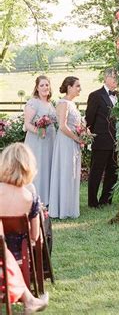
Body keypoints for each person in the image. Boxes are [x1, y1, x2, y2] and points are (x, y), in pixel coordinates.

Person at [0, 143, 49, 311]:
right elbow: (35, 236)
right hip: (18, 253)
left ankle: (29, 300)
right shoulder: (29, 198)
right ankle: (30, 299)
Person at [49, 76, 83, 219]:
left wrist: (83, 133)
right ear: (69, 87)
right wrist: (77, 138)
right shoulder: (63, 103)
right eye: (77, 86)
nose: (80, 89)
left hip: (72, 141)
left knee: (72, 173)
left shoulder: (72, 104)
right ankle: (61, 208)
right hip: (65, 141)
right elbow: (62, 126)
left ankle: (69, 206)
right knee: (65, 172)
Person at [85, 68, 118, 208]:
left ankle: (106, 199)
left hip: (116, 141)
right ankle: (93, 202)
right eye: (114, 77)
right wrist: (92, 135)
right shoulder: (95, 95)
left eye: (118, 78)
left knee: (113, 171)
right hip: (101, 140)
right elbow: (89, 119)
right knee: (96, 172)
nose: (116, 80)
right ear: (106, 78)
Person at [23, 75, 57, 206]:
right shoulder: (33, 103)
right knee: (38, 168)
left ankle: (47, 199)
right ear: (37, 88)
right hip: (37, 142)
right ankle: (33, 200)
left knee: (48, 167)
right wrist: (39, 131)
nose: (45, 87)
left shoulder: (50, 103)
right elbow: (27, 124)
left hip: (50, 141)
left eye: (47, 85)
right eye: (41, 85)